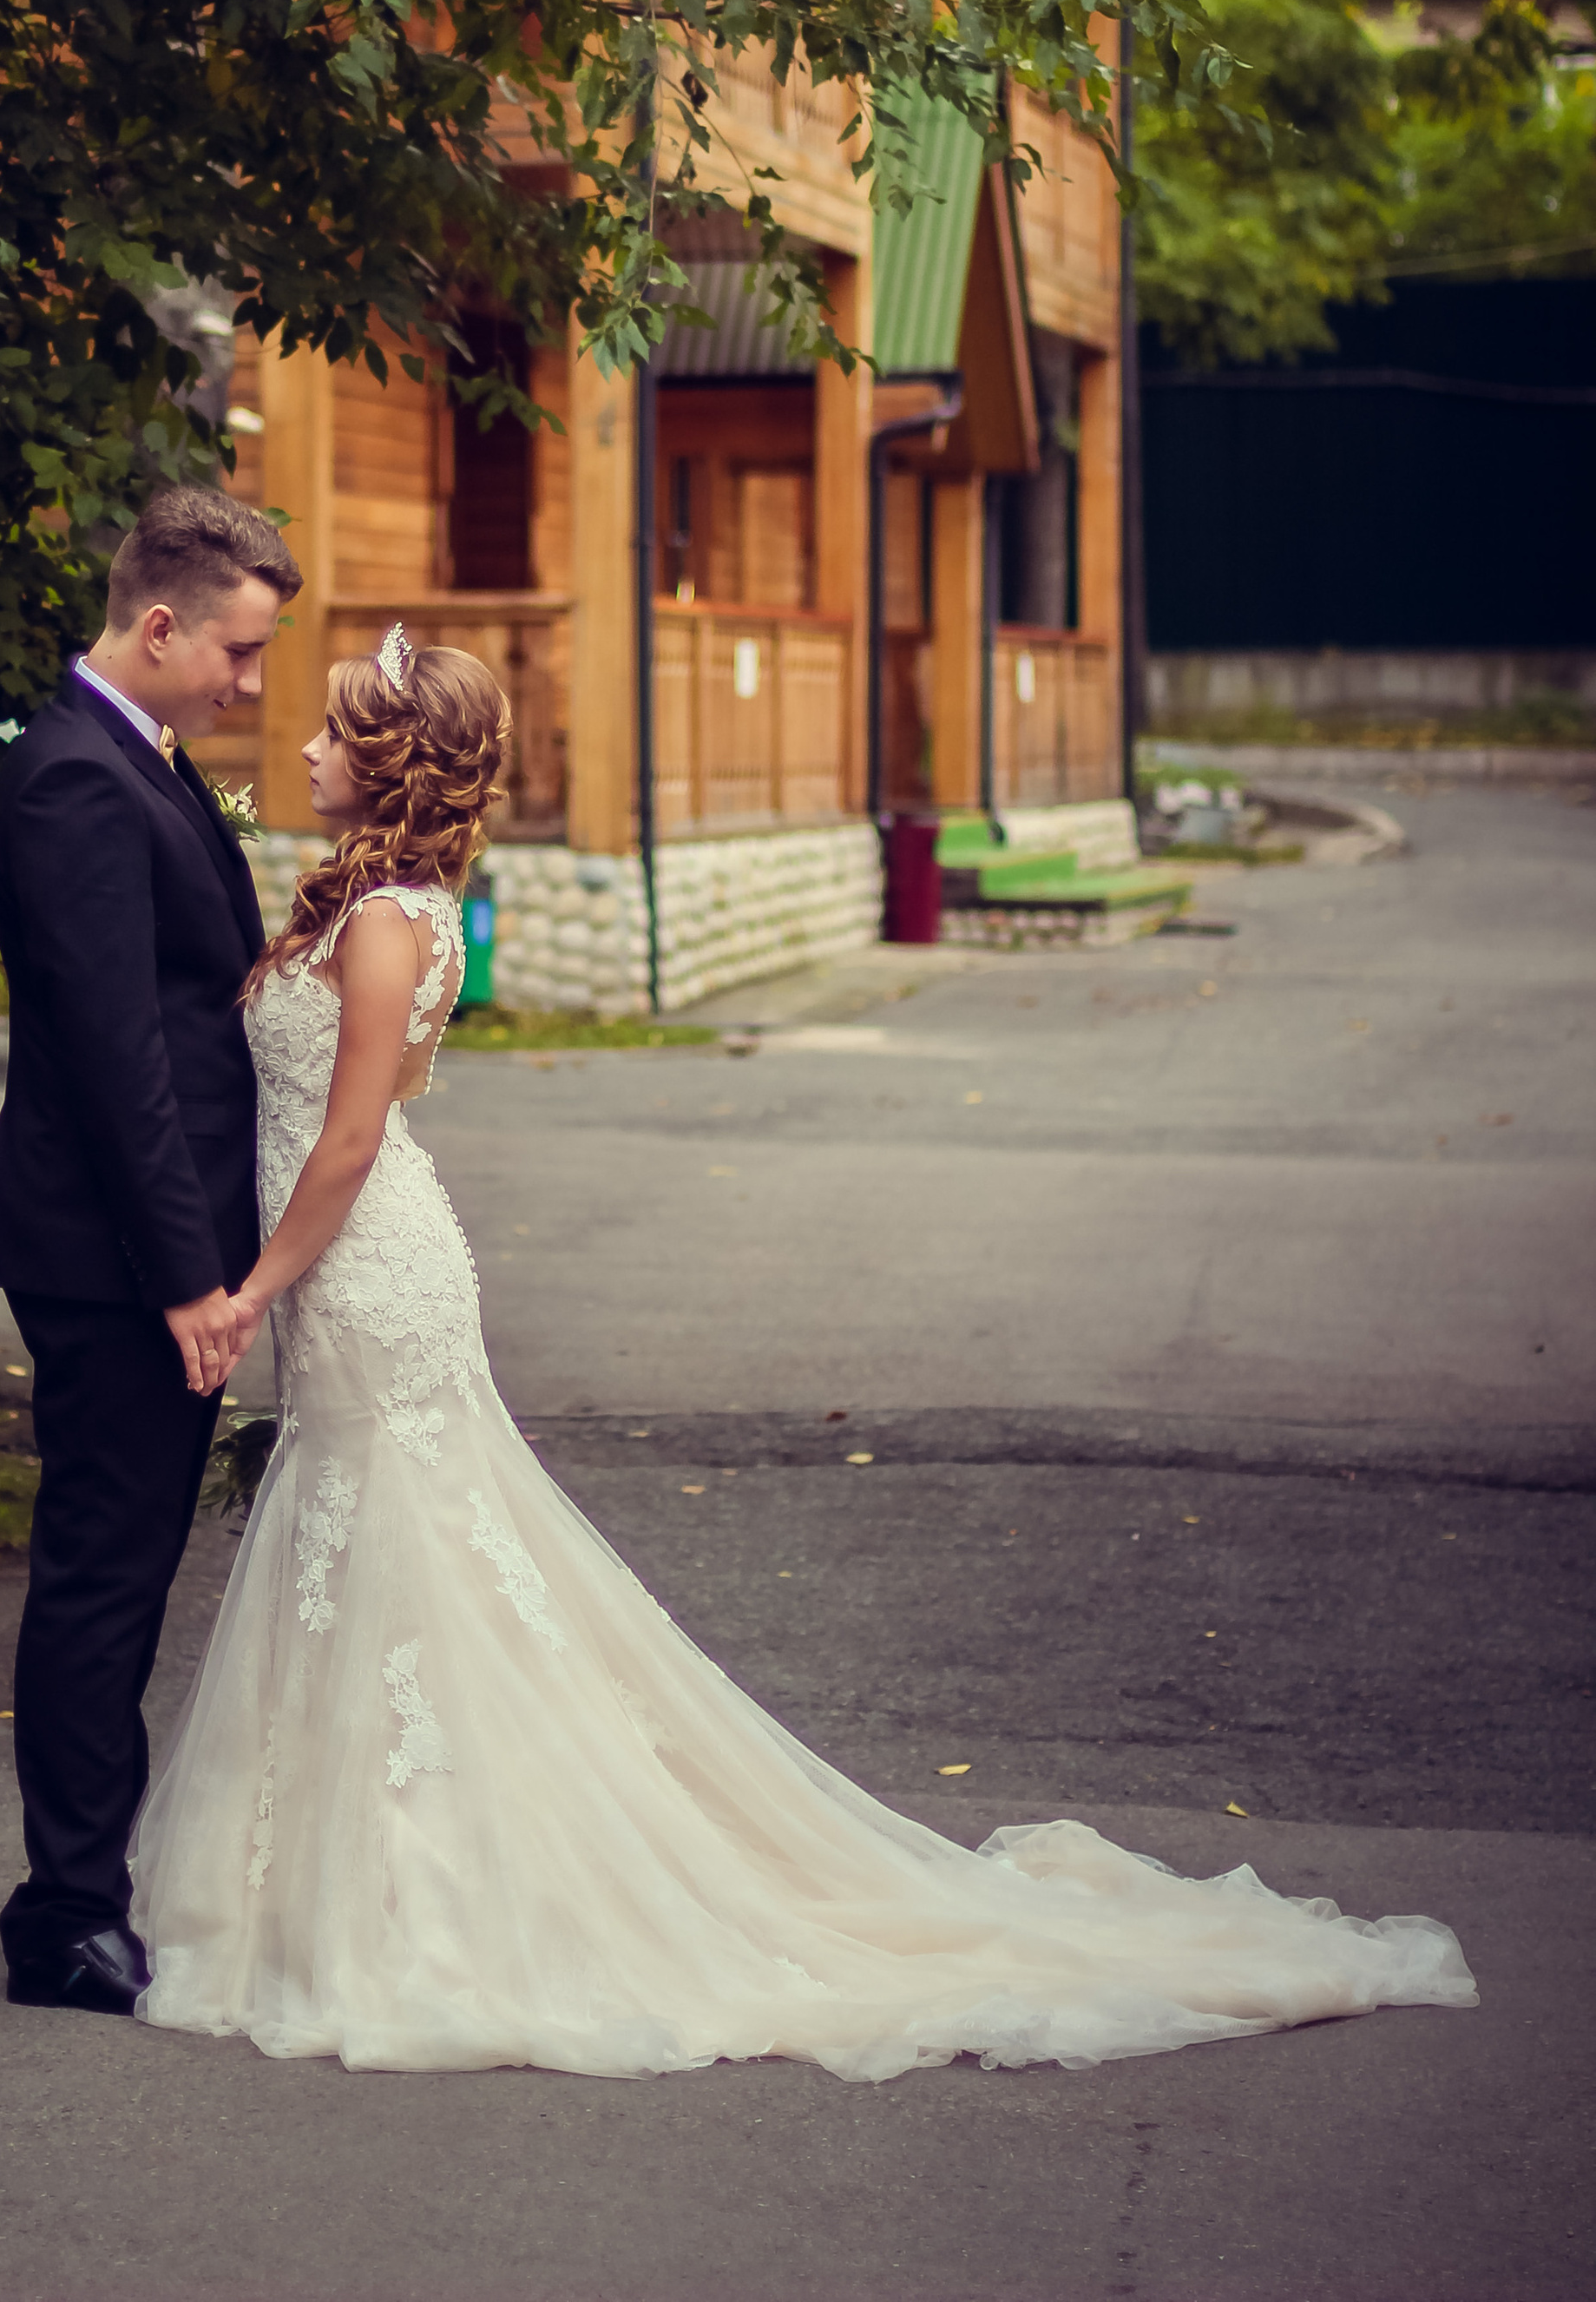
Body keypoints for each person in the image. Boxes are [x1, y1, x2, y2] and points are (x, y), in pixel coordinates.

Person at [130, 628, 1477, 2081]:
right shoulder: (373, 904)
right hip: (353, 1267)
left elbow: (347, 1138)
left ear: (391, 762)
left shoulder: (391, 921)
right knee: (376, 1553)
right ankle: (355, 1873)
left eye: (337, 732)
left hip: (364, 1264)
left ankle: (432, 1890)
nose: (309, 747)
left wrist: (252, 1287)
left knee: (413, 1554)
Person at [0, 483, 300, 2015]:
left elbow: (193, 999)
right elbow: (118, 1060)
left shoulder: (142, 758)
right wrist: (189, 1282)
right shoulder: (69, 781)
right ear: (157, 623)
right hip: (115, 1262)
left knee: (128, 1568)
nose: (249, 687)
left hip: (149, 1250)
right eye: (237, 655)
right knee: (103, 1579)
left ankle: (82, 1892)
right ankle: (64, 1918)